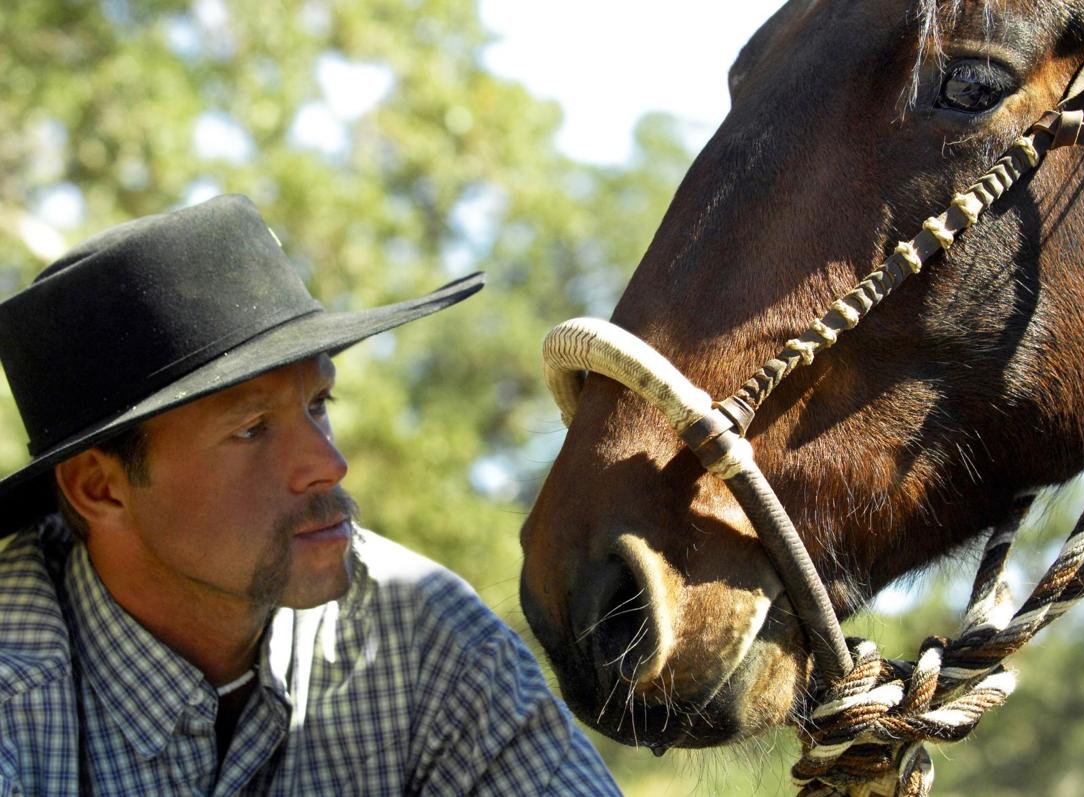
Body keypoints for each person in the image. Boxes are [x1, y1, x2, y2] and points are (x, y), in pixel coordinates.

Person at [0, 194, 621, 796]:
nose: (329, 464)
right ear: (99, 487)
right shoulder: (18, 691)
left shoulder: (423, 636)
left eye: (319, 404)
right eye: (250, 429)